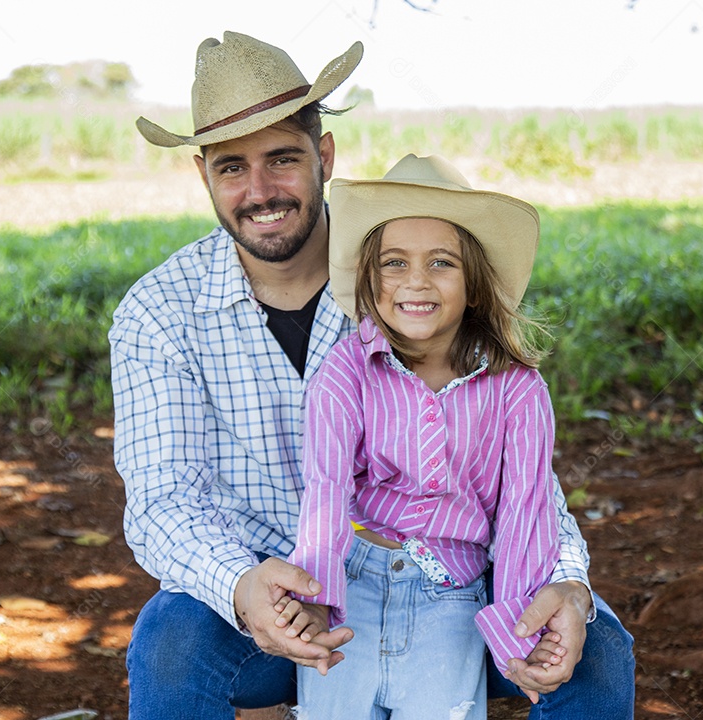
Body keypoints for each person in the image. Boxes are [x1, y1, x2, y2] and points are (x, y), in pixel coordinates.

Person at [109, 30, 635, 720]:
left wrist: (567, 580)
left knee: (597, 648)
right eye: (232, 167)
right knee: (170, 645)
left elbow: (522, 478)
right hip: (274, 595)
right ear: (203, 175)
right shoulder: (159, 312)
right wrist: (241, 585)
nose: (260, 190)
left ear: (324, 155)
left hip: (450, 581)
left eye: (282, 159)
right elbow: (161, 500)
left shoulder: (411, 285)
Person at [273, 153, 570, 720]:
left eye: (441, 262)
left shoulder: (519, 390)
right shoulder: (347, 370)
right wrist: (316, 601)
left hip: (450, 596)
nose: (415, 281)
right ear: (370, 277)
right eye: (393, 262)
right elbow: (327, 489)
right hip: (356, 578)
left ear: (476, 286)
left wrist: (517, 630)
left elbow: (524, 515)